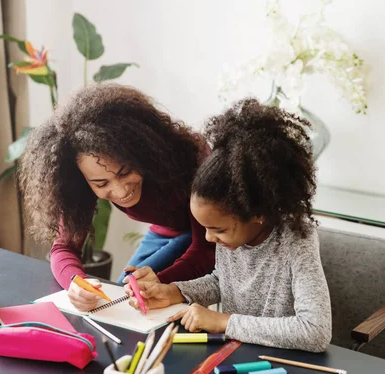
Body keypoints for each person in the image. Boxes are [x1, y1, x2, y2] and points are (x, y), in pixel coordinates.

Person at [126, 99, 332, 351]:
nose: (209, 238)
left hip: (285, 364)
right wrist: (175, 292)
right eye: (205, 228)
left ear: (258, 213)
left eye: (218, 230)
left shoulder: (295, 239)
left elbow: (315, 331)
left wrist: (223, 321)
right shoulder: (231, 235)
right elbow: (222, 281)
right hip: (234, 353)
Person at [19, 83, 215, 311]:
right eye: (101, 184)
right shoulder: (79, 179)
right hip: (163, 232)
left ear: (141, 153)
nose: (122, 192)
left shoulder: (189, 161)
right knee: (123, 289)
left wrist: (160, 282)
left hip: (206, 235)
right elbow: (63, 248)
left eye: (125, 173)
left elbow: (206, 250)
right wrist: (75, 282)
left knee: (142, 296)